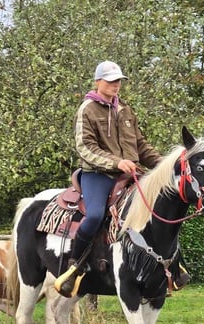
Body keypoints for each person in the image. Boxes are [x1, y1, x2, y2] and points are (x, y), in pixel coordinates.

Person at [54, 60, 162, 297]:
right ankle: (75, 266)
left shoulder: (125, 109)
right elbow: (85, 147)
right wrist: (116, 162)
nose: (116, 85)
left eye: (118, 81)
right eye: (111, 81)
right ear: (98, 82)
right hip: (97, 175)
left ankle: (168, 266)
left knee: (159, 208)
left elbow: (140, 145)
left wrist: (164, 165)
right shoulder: (87, 109)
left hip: (130, 174)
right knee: (93, 216)